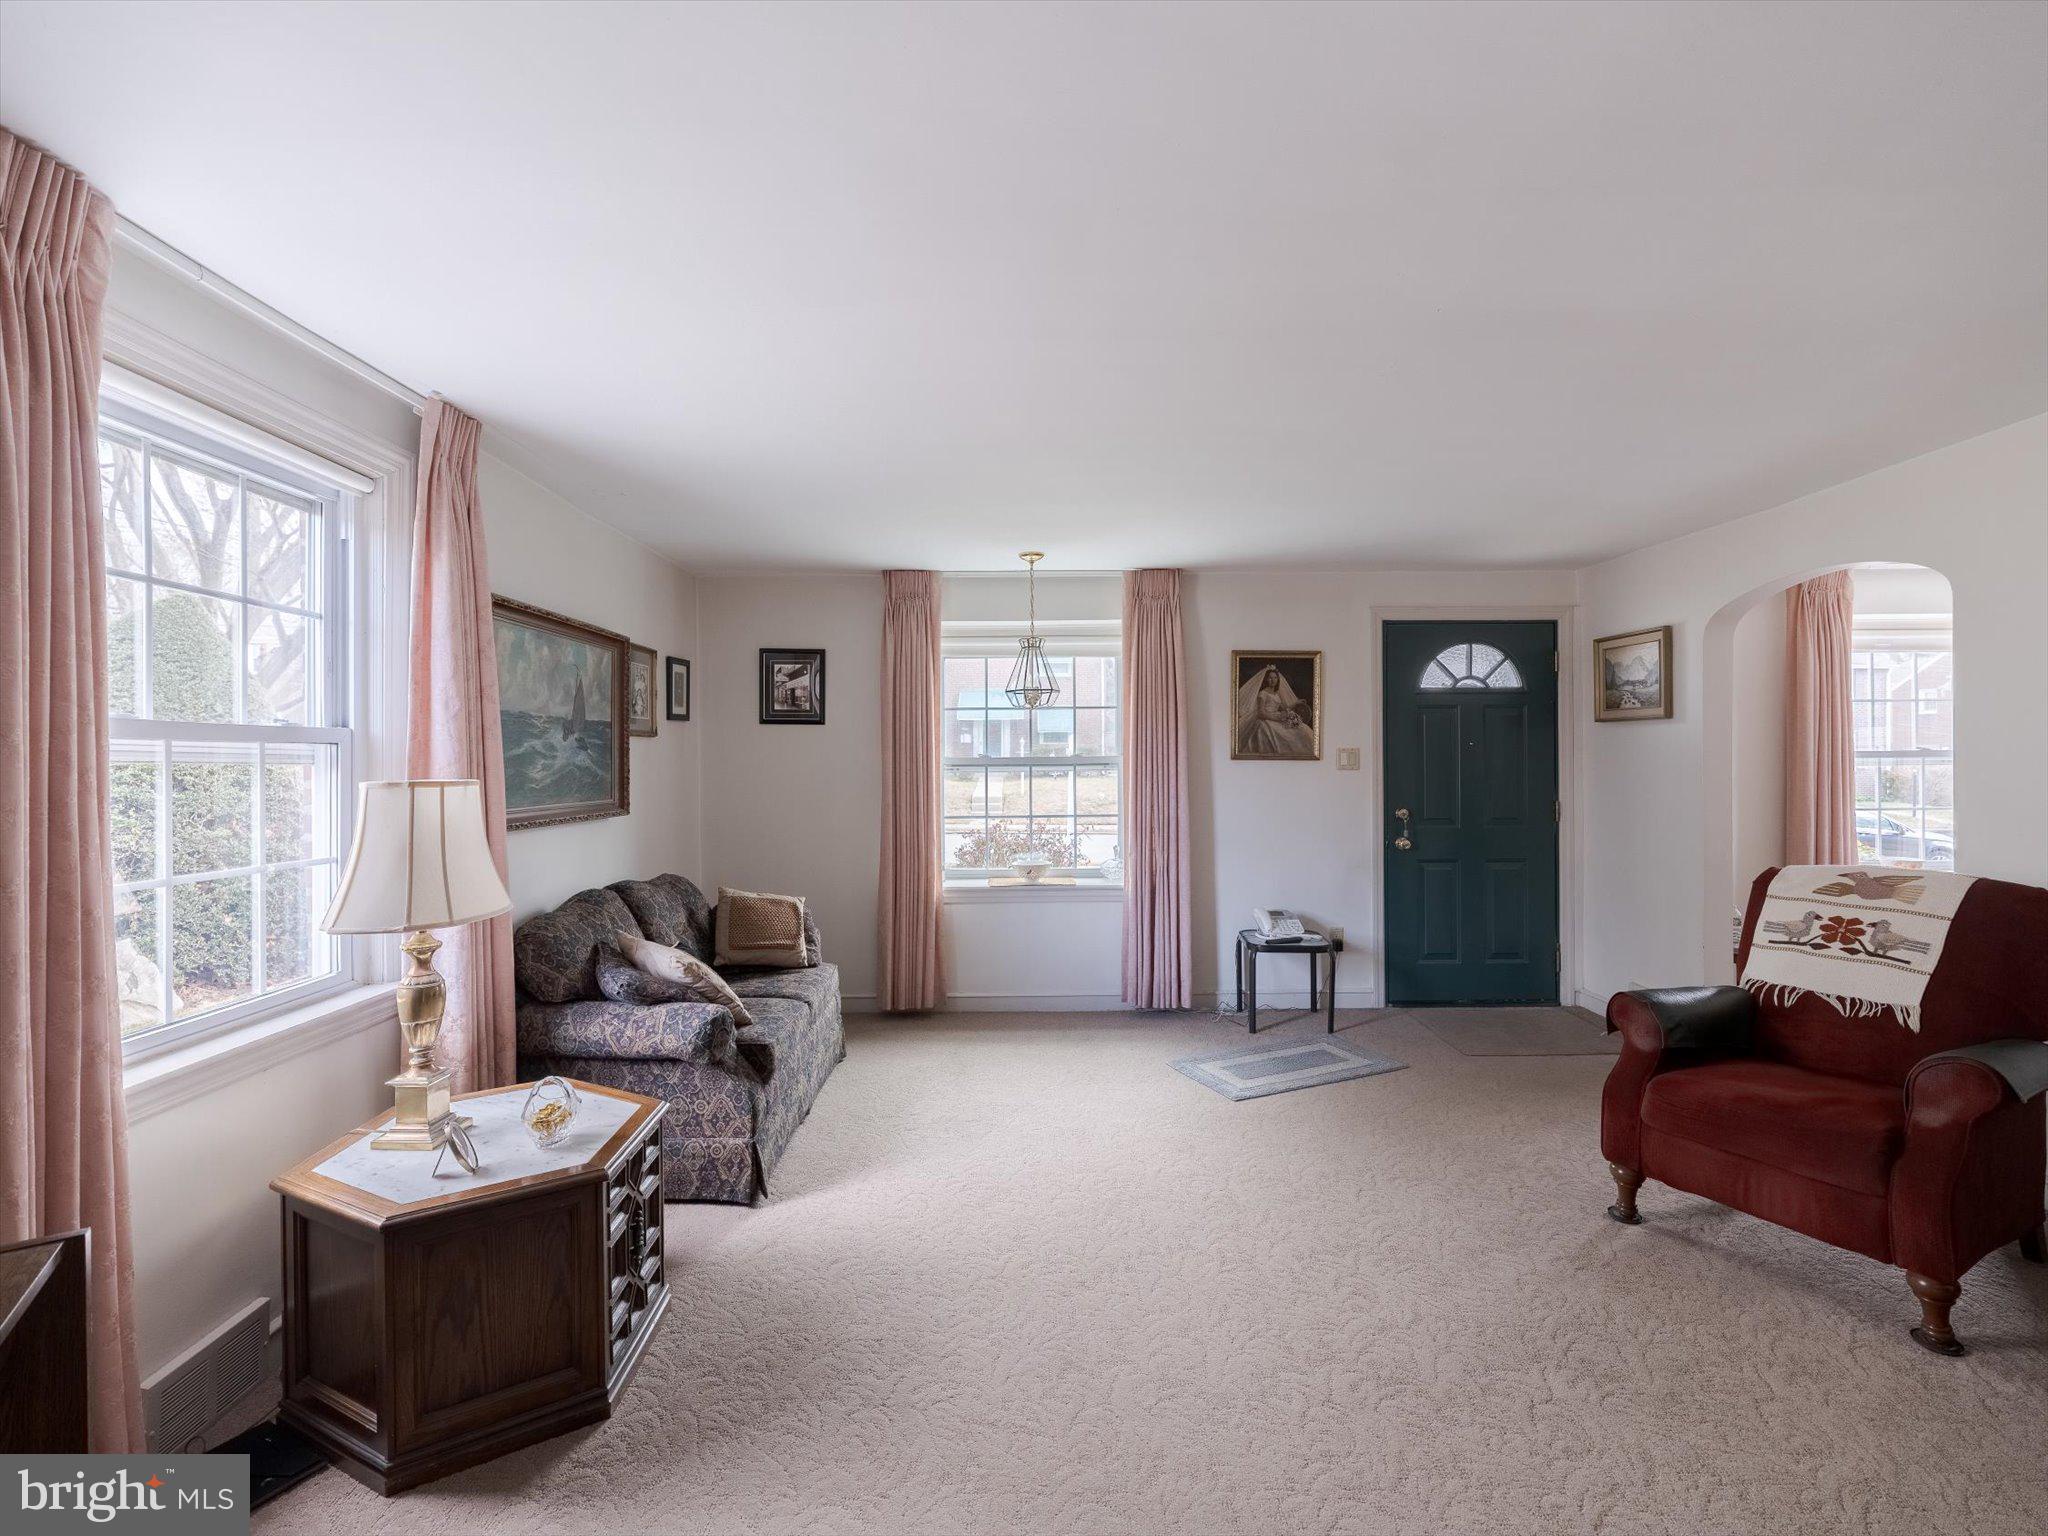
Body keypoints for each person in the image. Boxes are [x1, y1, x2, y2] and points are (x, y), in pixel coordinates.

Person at [1234, 665, 1315, 756]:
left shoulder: (1276, 694)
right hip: (1266, 720)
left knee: (1302, 728)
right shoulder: (1263, 693)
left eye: (1275, 678)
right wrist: (1278, 718)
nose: (1273, 680)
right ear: (1266, 679)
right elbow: (1261, 713)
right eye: (1270, 678)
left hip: (1278, 717)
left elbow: (1283, 709)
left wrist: (1295, 704)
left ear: (1278, 679)